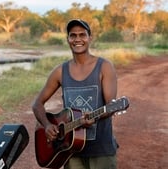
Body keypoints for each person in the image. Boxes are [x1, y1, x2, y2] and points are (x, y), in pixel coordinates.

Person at [32, 19, 118, 169]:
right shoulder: (60, 71)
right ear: (68, 39)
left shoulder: (104, 66)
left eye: (82, 35)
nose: (78, 39)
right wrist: (46, 125)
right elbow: (37, 104)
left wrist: (95, 116)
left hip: (101, 150)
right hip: (70, 151)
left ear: (90, 38)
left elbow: (111, 106)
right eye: (73, 35)